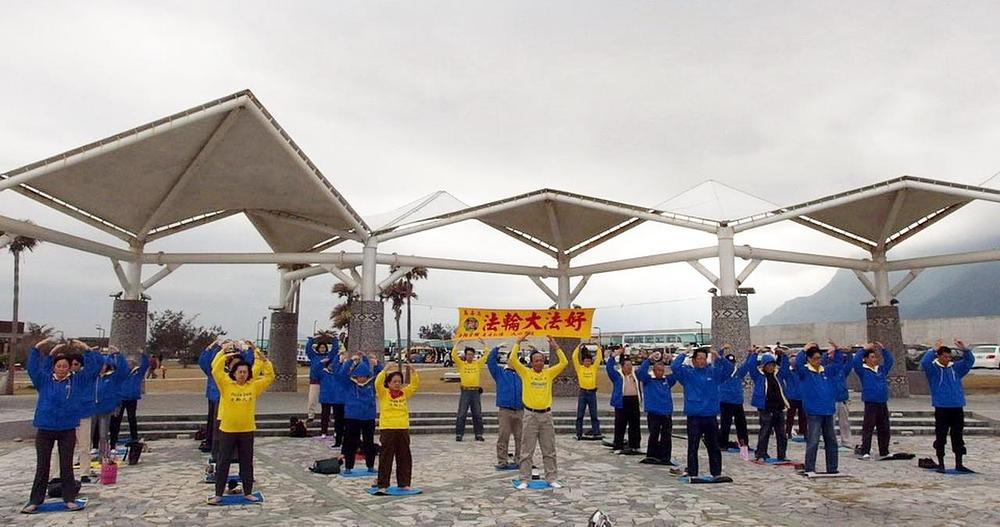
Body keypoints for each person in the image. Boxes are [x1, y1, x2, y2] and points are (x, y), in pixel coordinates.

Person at [22, 338, 98, 513]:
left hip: (67, 429)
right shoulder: (44, 380)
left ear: (70, 367)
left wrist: (86, 349)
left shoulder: (76, 381)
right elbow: (33, 368)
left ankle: (69, 498)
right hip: (45, 429)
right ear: (54, 367)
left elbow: (93, 368)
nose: (62, 369)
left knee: (66, 465)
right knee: (43, 466)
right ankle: (35, 500)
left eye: (65, 366)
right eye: (59, 366)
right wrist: (38, 347)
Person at [207, 341, 274, 504]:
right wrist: (224, 353)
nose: (242, 374)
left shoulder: (253, 386)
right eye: (239, 372)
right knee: (223, 462)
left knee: (246, 462)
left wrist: (263, 359)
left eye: (245, 372)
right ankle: (218, 494)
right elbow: (215, 369)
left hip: (246, 430)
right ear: (234, 373)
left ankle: (248, 492)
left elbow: (269, 376)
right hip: (227, 430)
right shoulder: (225, 385)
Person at [510, 335, 568, 489]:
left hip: (546, 415)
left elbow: (564, 363)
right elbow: (513, 360)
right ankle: (524, 479)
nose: (539, 363)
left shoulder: (548, 373)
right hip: (530, 415)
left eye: (542, 360)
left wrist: (556, 346)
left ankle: (551, 478)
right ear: (531, 362)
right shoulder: (526, 373)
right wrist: (517, 342)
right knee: (526, 450)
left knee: (549, 449)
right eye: (536, 360)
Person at [670, 345, 734, 478]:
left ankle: (716, 472)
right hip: (694, 417)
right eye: (698, 358)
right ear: (694, 360)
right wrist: (685, 353)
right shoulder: (687, 373)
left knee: (714, 446)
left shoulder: (713, 372)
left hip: (710, 416)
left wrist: (719, 357)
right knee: (693, 446)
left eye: (704, 358)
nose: (701, 361)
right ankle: (693, 472)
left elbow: (729, 370)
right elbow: (675, 367)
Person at [921, 339, 975, 473]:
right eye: (945, 356)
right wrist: (933, 350)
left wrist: (965, 349)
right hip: (942, 407)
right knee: (941, 436)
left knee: (957, 436)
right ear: (939, 356)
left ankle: (959, 463)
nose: (947, 359)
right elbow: (925, 362)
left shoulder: (955, 368)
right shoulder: (933, 370)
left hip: (957, 406)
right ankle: (941, 463)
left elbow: (969, 362)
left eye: (949, 357)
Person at [794, 342, 843, 474]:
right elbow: (798, 364)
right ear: (809, 359)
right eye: (814, 358)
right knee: (813, 441)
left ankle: (832, 468)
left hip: (828, 411)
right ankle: (810, 467)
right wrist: (804, 350)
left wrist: (837, 350)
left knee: (831, 441)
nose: (817, 361)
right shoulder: (805, 372)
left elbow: (838, 365)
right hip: (814, 412)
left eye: (819, 358)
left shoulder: (826, 371)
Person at [373, 363, 419, 493]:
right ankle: (383, 484)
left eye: (399, 381)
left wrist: (414, 372)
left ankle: (404, 483)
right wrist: (385, 370)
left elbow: (414, 386)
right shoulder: (384, 393)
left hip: (402, 428)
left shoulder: (404, 393)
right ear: (388, 383)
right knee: (386, 457)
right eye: (394, 381)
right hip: (388, 428)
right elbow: (377, 383)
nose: (397, 384)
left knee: (404, 456)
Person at [338, 352, 383, 473]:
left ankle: (370, 466)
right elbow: (341, 375)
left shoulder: (372, 385)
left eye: (365, 376)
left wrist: (376, 363)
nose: (362, 378)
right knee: (351, 443)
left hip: (368, 418)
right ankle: (348, 467)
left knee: (369, 443)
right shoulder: (349, 385)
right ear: (355, 376)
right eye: (359, 376)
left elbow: (382, 376)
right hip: (352, 418)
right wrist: (351, 361)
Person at [852, 342, 893, 459]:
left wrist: (883, 349)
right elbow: (855, 362)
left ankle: (884, 450)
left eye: (875, 357)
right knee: (868, 427)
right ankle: (865, 450)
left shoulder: (881, 369)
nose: (875, 359)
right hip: (870, 402)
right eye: (872, 357)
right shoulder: (863, 371)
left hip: (882, 401)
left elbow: (890, 361)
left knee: (884, 427)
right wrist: (863, 349)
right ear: (866, 359)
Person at [747, 350, 789, 462]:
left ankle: (782, 454)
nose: (771, 367)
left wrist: (783, 355)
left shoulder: (778, 376)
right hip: (765, 408)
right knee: (765, 431)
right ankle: (761, 453)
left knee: (781, 434)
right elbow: (751, 366)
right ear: (764, 366)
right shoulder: (758, 376)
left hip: (778, 408)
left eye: (772, 365)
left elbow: (785, 367)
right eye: (769, 365)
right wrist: (755, 354)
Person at [67, 343, 103, 474]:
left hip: (83, 414)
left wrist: (87, 350)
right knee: (61, 448)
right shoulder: (65, 378)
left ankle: (84, 472)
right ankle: (57, 473)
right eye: (71, 364)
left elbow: (95, 365)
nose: (73, 366)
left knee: (84, 446)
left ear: (81, 365)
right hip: (67, 416)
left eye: (76, 364)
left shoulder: (86, 376)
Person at [486, 344, 523, 470]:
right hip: (505, 410)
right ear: (508, 359)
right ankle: (502, 461)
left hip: (520, 409)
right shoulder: (500, 372)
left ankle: (519, 460)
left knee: (520, 437)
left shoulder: (521, 373)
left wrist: (533, 349)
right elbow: (490, 362)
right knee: (503, 436)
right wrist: (496, 348)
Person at [636, 351, 676, 464]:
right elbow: (639, 372)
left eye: (662, 370)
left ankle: (665, 457)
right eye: (658, 370)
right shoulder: (648, 380)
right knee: (653, 435)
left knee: (666, 436)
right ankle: (651, 455)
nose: (660, 372)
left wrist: (672, 360)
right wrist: (649, 360)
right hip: (654, 413)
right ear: (653, 370)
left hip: (666, 412)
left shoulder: (667, 380)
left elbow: (678, 372)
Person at [92, 348, 128, 463]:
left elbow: (123, 370)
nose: (102, 367)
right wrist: (91, 354)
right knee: (89, 433)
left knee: (103, 434)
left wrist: (118, 354)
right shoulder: (93, 377)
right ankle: (90, 452)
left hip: (105, 409)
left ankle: (104, 455)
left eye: (104, 365)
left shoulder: (112, 377)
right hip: (92, 408)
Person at [110, 351, 150, 448]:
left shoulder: (137, 373)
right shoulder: (120, 373)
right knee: (116, 420)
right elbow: (115, 363)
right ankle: (113, 440)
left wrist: (143, 355)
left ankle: (134, 438)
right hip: (121, 399)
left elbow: (145, 365)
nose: (129, 364)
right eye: (127, 363)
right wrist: (117, 354)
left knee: (132, 419)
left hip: (132, 399)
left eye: (131, 363)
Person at [606, 349, 641, 454]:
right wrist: (613, 356)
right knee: (620, 425)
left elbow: (644, 369)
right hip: (622, 402)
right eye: (627, 365)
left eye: (631, 365)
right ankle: (618, 445)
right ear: (622, 366)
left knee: (635, 425)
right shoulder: (617, 376)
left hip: (634, 401)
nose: (629, 367)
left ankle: (634, 445)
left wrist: (646, 358)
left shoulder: (635, 375)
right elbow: (609, 368)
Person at [451, 341, 488, 442]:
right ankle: (459, 434)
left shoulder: (477, 364)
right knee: (462, 414)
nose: (470, 356)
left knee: (477, 414)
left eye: (472, 354)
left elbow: (486, 354)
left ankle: (479, 434)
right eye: (468, 354)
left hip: (475, 392)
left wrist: (483, 343)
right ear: (465, 355)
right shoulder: (462, 364)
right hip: (465, 392)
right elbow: (454, 355)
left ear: (474, 355)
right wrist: (457, 343)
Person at [718, 351, 753, 450]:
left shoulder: (739, 373)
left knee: (741, 425)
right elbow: (718, 361)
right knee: (725, 424)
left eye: (732, 363)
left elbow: (747, 365)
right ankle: (722, 443)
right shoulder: (722, 373)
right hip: (725, 402)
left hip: (737, 402)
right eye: (729, 363)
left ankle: (744, 444)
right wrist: (720, 352)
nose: (731, 365)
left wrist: (751, 354)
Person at [317, 343, 348, 445]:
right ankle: (324, 432)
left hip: (339, 399)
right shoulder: (323, 373)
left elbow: (343, 368)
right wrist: (321, 363)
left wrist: (343, 358)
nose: (331, 366)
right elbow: (314, 372)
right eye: (329, 365)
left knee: (339, 418)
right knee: (325, 415)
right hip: (327, 397)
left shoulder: (339, 373)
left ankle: (339, 435)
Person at [823, 343, 853, 447]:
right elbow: (822, 362)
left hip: (842, 399)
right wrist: (828, 353)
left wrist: (848, 353)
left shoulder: (842, 370)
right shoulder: (826, 369)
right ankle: (829, 441)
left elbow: (849, 363)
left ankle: (846, 441)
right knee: (829, 423)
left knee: (845, 423)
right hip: (831, 400)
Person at [305, 333, 339, 425]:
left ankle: (326, 416)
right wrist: (312, 340)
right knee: (312, 399)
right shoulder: (313, 356)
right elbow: (308, 348)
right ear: (318, 348)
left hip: (326, 382)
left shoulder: (329, 356)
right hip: (315, 381)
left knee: (327, 401)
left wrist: (333, 338)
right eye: (321, 348)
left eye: (324, 348)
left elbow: (335, 349)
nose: (322, 349)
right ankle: (310, 416)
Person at [572, 342, 603, 440]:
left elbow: (599, 358)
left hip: (592, 393)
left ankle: (596, 432)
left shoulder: (593, 368)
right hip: (583, 393)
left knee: (594, 414)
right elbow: (574, 357)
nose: (587, 363)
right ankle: (579, 433)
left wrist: (598, 347)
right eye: (586, 361)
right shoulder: (579, 368)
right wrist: (579, 346)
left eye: (589, 361)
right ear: (583, 361)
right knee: (580, 415)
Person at [783, 349, 807, 439]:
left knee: (803, 417)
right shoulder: (788, 373)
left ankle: (804, 432)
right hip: (791, 397)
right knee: (790, 416)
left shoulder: (802, 372)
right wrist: (784, 357)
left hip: (801, 397)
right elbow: (784, 368)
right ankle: (788, 432)